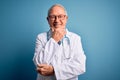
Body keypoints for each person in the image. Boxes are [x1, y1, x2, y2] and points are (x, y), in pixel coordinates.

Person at [33, 4, 86, 80]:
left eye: (60, 16)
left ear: (66, 18)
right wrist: (54, 40)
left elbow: (80, 66)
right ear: (48, 20)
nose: (57, 20)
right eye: (52, 17)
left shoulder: (75, 38)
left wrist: (54, 70)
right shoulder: (41, 37)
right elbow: (39, 64)